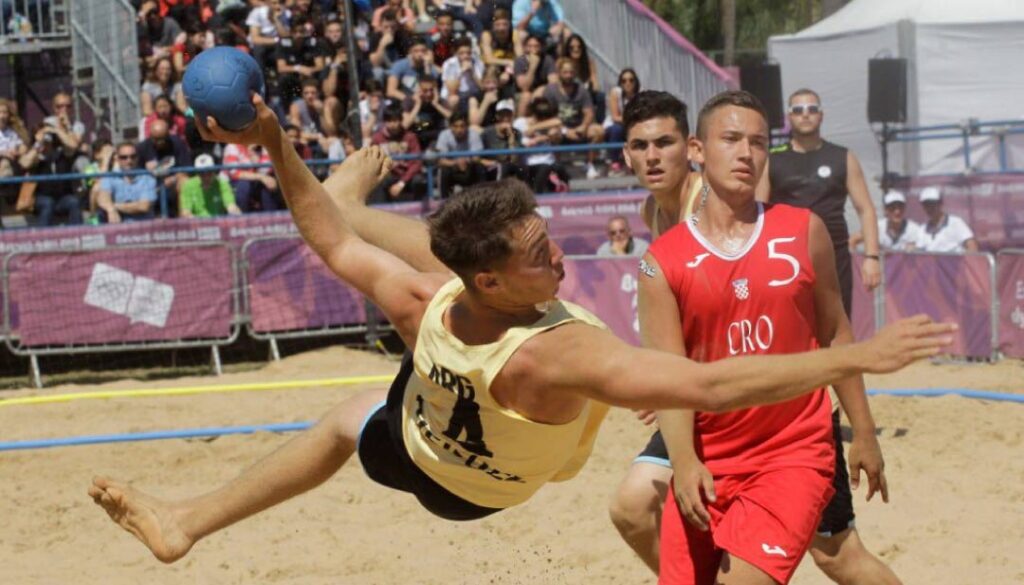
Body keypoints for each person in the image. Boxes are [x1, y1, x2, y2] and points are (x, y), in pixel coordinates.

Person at [89, 93, 951, 565]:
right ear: (495, 279)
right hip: (492, 477)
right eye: (542, 255)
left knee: (349, 417)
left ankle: (188, 522)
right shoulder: (565, 351)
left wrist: (275, 140)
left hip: (420, 439)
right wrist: (855, 358)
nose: (563, 261)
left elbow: (331, 239)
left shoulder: (427, 299)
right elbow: (702, 383)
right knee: (828, 548)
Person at [609, 90, 899, 585]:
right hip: (715, 416)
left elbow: (829, 331)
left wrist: (864, 430)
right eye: (640, 146)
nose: (653, 157)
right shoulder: (655, 219)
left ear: (691, 148)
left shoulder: (724, 205)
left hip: (778, 423)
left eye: (664, 143)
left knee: (837, 556)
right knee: (634, 506)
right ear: (626, 154)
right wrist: (662, 379)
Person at [759, 88, 882, 316]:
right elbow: (756, 210)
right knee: (791, 325)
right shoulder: (772, 159)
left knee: (838, 324)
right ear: (789, 117)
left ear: (821, 115)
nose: (805, 115)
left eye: (812, 109)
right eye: (798, 110)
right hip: (786, 256)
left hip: (834, 257)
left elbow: (866, 209)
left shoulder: (842, 156)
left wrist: (872, 257)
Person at [542, 57, 604, 180]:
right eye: (565, 72)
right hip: (559, 128)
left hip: (579, 128)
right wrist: (566, 131)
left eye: (571, 72)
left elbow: (589, 112)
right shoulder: (550, 90)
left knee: (599, 131)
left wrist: (583, 127)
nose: (568, 75)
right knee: (552, 132)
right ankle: (556, 166)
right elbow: (548, 116)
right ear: (559, 73)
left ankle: (590, 164)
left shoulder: (581, 89)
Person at [17, 124, 82, 226]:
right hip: (41, 198)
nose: (46, 141)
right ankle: (43, 237)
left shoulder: (62, 154)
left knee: (73, 201)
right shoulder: (36, 156)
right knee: (48, 202)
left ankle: (78, 234)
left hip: (62, 198)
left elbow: (73, 145)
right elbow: (24, 163)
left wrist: (56, 130)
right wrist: (39, 142)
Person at [370, 103, 426, 202]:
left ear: (400, 120)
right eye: (389, 121)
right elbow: (373, 161)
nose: (392, 124)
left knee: (419, 180)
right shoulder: (377, 139)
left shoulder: (410, 137)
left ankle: (419, 212)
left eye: (395, 120)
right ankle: (379, 212)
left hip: (407, 175)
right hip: (388, 175)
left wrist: (401, 183)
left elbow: (416, 162)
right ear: (384, 122)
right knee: (377, 181)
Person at [94, 142, 159, 223]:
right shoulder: (110, 177)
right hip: (119, 228)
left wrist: (114, 206)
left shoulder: (147, 178)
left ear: (137, 158)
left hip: (143, 228)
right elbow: (102, 198)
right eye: (124, 157)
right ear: (117, 159)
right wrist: (111, 209)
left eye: (133, 157)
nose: (129, 160)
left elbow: (143, 206)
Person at [137, 118, 192, 208]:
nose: (160, 142)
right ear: (150, 136)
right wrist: (148, 173)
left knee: (184, 181)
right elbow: (136, 174)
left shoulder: (177, 144)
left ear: (168, 134)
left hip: (173, 184)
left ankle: (183, 216)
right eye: (156, 139)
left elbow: (186, 168)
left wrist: (173, 178)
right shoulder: (142, 148)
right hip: (151, 185)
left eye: (163, 139)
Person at [274, 14, 325, 104]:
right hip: (294, 77)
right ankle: (286, 110)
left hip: (310, 76)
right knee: (283, 79)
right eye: (295, 32)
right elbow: (281, 67)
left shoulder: (312, 43)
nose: (298, 35)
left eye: (301, 31)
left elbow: (320, 65)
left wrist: (309, 70)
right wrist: (299, 69)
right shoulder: (283, 43)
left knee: (323, 74)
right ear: (290, 32)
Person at [850, 190, 922, 252]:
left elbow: (926, 250)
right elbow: (852, 240)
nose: (897, 212)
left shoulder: (914, 229)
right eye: (892, 208)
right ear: (885, 210)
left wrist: (916, 249)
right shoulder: (877, 227)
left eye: (900, 207)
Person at [436, 111, 486, 198]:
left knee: (480, 167)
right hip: (452, 168)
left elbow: (476, 158)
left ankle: (483, 198)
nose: (459, 130)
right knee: (443, 171)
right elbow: (441, 161)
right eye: (455, 126)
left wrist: (465, 161)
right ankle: (443, 202)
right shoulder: (444, 135)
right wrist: (456, 162)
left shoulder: (474, 134)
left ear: (467, 126)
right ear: (450, 126)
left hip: (469, 168)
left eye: (462, 126)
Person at [915, 187, 979, 253]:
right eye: (926, 205)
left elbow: (972, 246)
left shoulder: (956, 223)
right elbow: (918, 252)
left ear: (941, 203)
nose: (930, 208)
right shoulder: (923, 229)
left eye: (933, 204)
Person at [178, 153, 242, 218]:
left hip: (218, 223)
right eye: (202, 173)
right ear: (197, 173)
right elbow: (185, 213)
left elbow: (231, 206)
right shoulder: (188, 185)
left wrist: (236, 215)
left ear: (214, 170)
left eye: (209, 172)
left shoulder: (222, 184)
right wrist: (200, 224)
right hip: (196, 225)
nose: (206, 176)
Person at [222, 142, 279, 212]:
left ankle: (271, 218)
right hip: (232, 183)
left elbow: (265, 170)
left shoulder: (263, 148)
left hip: (254, 180)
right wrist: (261, 177)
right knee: (244, 185)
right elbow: (235, 173)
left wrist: (252, 153)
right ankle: (242, 217)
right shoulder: (232, 146)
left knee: (270, 183)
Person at [402, 74, 452, 150]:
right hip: (416, 135)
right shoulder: (409, 101)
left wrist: (436, 105)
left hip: (436, 138)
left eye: (431, 90)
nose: (429, 94)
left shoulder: (440, 101)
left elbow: (454, 119)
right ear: (418, 90)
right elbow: (405, 125)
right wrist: (417, 105)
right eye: (425, 91)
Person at [604, 68, 639, 174]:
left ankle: (635, 161)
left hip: (631, 124)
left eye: (631, 80)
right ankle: (614, 160)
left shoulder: (640, 93)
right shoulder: (615, 93)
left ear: (635, 81)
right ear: (620, 82)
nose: (628, 83)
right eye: (624, 80)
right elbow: (615, 117)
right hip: (616, 125)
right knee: (617, 130)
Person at [480, 99, 523, 180]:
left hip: (508, 166)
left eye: (508, 115)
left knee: (521, 168)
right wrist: (490, 163)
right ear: (497, 116)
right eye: (502, 115)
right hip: (490, 167)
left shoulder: (517, 133)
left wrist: (511, 138)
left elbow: (514, 160)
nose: (506, 118)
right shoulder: (487, 133)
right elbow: (477, 158)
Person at [386, 36, 438, 101]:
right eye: (416, 51)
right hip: (404, 102)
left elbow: (432, 93)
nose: (420, 54)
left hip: (425, 103)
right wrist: (411, 99)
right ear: (410, 52)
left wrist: (427, 68)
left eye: (423, 51)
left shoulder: (431, 69)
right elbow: (390, 91)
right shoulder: (400, 65)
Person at [441, 36, 485, 111]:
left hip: (472, 95)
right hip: (455, 94)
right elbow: (452, 90)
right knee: (453, 100)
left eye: (468, 53)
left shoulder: (478, 62)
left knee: (474, 101)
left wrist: (472, 72)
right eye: (461, 53)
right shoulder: (449, 64)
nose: (465, 56)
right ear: (456, 53)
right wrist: (461, 72)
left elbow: (482, 87)